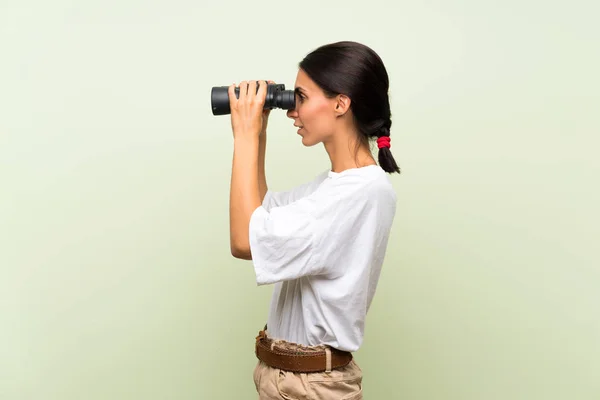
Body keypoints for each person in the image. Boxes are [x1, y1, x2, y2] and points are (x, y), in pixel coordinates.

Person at [227, 41, 400, 400]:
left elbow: (244, 241)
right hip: (289, 379)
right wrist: (257, 131)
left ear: (340, 103)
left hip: (313, 387)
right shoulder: (333, 187)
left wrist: (242, 137)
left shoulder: (361, 192)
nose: (293, 110)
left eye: (301, 97)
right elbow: (259, 213)